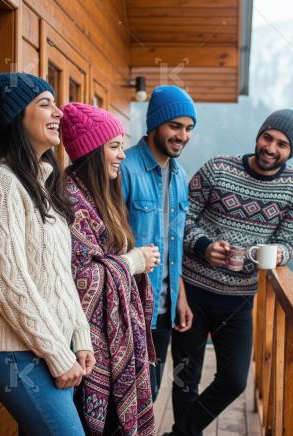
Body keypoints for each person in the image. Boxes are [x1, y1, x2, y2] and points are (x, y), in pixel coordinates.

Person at [0, 73, 94, 436]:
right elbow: (10, 284)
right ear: (16, 117)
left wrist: (79, 336)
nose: (59, 113)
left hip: (47, 344)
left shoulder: (43, 183)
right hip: (12, 351)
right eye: (45, 104)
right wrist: (57, 352)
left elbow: (59, 273)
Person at [169, 109, 293, 436]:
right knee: (185, 377)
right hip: (190, 292)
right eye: (267, 138)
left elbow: (290, 242)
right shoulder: (218, 168)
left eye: (282, 144)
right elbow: (179, 219)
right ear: (258, 135)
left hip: (238, 299)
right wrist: (204, 245)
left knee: (234, 380)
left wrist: (274, 254)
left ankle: (180, 433)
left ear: (291, 151)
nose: (271, 148)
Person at [60, 102, 159, 436]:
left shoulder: (99, 195)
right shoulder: (70, 201)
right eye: (114, 146)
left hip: (113, 336)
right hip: (86, 345)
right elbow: (80, 278)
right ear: (92, 152)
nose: (122, 155)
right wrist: (132, 262)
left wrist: (132, 260)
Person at [120, 85, 196, 401]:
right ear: (155, 124)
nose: (182, 136)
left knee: (149, 395)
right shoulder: (125, 168)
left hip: (163, 310)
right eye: (175, 126)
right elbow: (110, 241)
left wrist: (180, 295)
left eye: (188, 128)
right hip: (129, 308)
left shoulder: (180, 176)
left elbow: (172, 247)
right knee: (127, 398)